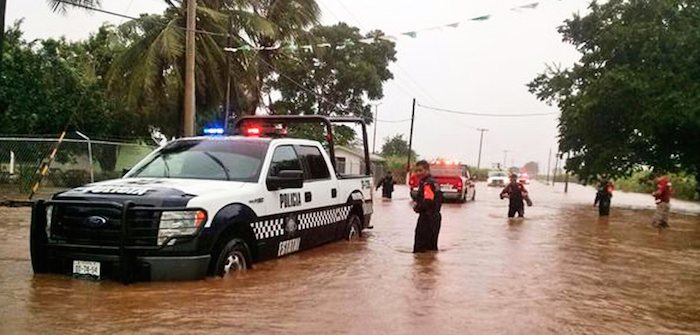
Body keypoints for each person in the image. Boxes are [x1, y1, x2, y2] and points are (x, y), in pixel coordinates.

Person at [412, 160, 442, 253]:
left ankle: (422, 266)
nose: (418, 173)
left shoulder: (427, 184)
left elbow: (428, 200)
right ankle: (429, 266)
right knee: (431, 248)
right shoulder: (435, 182)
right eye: (416, 171)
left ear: (427, 170)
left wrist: (417, 207)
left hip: (427, 218)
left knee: (420, 249)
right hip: (435, 217)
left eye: (420, 170)